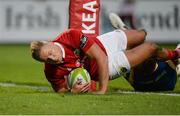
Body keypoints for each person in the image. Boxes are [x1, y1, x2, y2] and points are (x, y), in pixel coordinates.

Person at [30, 15, 180, 95]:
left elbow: (99, 55)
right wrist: (71, 90)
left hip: (103, 44)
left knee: (141, 35)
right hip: (108, 66)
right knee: (151, 48)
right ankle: (176, 54)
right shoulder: (50, 70)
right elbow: (59, 89)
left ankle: (126, 32)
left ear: (49, 42)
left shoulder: (70, 36)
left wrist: (101, 90)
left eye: (50, 53)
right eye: (47, 60)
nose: (52, 58)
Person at [109, 12, 180, 91]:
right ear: (155, 58)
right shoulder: (166, 65)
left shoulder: (134, 78)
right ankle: (125, 32)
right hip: (167, 81)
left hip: (144, 84)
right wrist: (176, 53)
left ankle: (125, 32)